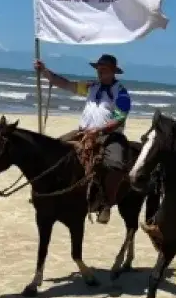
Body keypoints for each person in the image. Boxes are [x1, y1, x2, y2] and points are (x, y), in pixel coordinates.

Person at [35, 54, 132, 224]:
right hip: (83, 132)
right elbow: (65, 84)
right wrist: (44, 71)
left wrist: (100, 130)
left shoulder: (121, 93)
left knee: (115, 165)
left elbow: (119, 118)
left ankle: (106, 204)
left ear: (113, 72)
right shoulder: (90, 87)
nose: (100, 73)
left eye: (104, 70)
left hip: (109, 135)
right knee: (53, 150)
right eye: (98, 69)